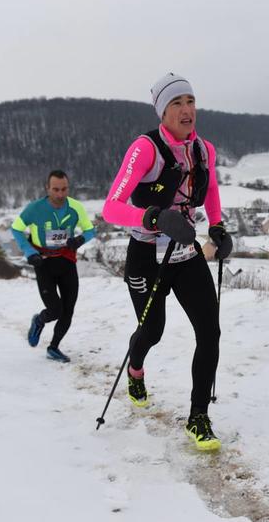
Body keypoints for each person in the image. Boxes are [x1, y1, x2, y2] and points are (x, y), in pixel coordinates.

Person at [102, 73, 232, 451]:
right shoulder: (146, 148)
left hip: (186, 252)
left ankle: (198, 416)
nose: (187, 109)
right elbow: (112, 207)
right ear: (163, 110)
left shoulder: (203, 149)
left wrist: (219, 228)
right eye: (177, 103)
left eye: (190, 101)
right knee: (152, 331)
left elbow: (210, 191)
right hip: (146, 255)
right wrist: (153, 218)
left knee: (210, 332)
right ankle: (136, 369)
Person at [11, 170, 96, 363]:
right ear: (47, 188)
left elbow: (91, 230)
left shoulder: (76, 207)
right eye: (55, 189)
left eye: (64, 189)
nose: (60, 194)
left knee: (68, 311)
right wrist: (29, 252)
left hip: (66, 261)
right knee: (55, 310)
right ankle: (39, 320)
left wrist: (81, 238)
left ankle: (54, 347)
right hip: (44, 263)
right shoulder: (34, 208)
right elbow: (16, 229)